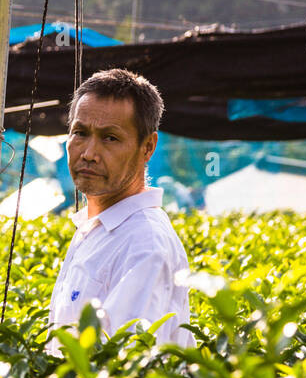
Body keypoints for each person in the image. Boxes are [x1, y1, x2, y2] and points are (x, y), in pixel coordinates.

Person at [46, 68, 196, 353]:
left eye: (110, 138)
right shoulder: (97, 228)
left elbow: (118, 367)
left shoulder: (144, 244)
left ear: (147, 147)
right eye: (80, 132)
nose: (88, 152)